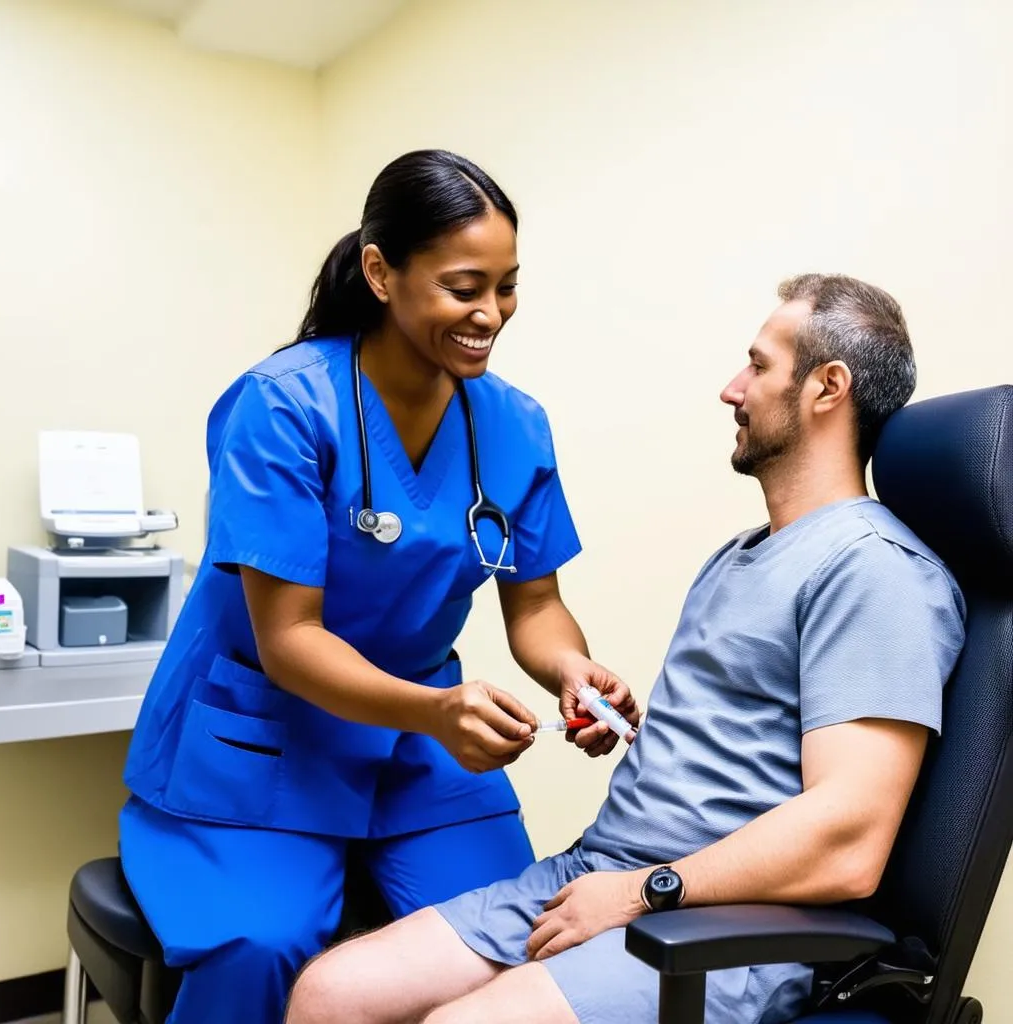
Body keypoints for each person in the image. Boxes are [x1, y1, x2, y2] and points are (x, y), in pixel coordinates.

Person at [285, 273, 968, 1024]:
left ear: (827, 387)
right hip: (603, 873)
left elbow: (850, 837)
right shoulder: (741, 556)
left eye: (760, 365)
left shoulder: (875, 570)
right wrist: (610, 717)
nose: (732, 389)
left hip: (726, 925)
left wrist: (645, 892)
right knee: (329, 995)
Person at [117, 149, 639, 1024]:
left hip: (421, 752)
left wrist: (573, 673)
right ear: (379, 272)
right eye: (464, 286)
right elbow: (290, 639)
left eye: (506, 287)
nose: (491, 314)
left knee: (521, 935)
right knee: (261, 949)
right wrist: (438, 714)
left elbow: (538, 606)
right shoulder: (284, 405)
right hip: (266, 736)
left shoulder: (513, 423)